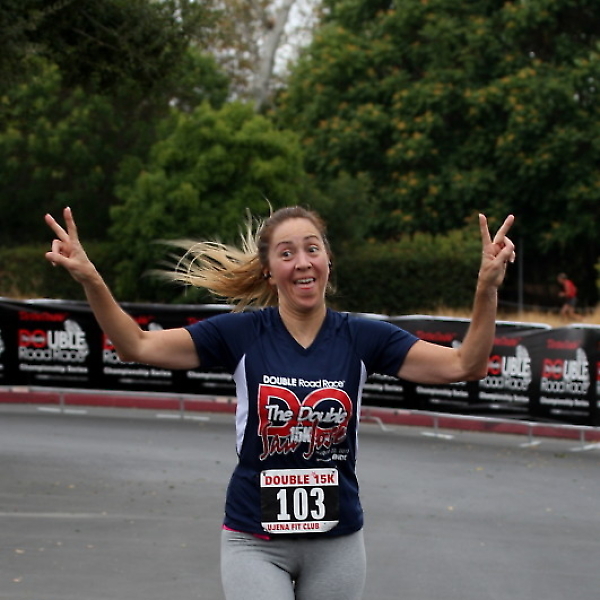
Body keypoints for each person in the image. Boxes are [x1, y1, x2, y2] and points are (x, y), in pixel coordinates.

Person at [44, 206, 515, 600]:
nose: (302, 262)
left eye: (313, 248)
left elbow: (465, 365)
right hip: (254, 540)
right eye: (286, 253)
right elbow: (137, 346)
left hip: (336, 541)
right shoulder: (241, 333)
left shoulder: (363, 338)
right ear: (269, 271)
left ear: (328, 260)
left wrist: (486, 289)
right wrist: (91, 280)